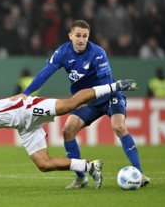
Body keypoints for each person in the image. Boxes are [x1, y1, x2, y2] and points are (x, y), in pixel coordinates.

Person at [0, 79, 138, 190]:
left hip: (25, 108)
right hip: (24, 126)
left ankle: (114, 86)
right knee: (44, 164)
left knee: (71, 104)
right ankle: (90, 167)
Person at [10, 20, 150, 189]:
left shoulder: (98, 53)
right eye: (78, 35)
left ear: (88, 37)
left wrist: (83, 99)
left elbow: (106, 84)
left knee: (119, 127)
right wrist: (26, 93)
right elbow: (45, 73)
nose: (81, 39)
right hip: (87, 102)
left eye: (85, 36)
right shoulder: (62, 52)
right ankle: (81, 178)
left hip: (109, 96)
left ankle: (140, 174)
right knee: (68, 130)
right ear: (70, 35)